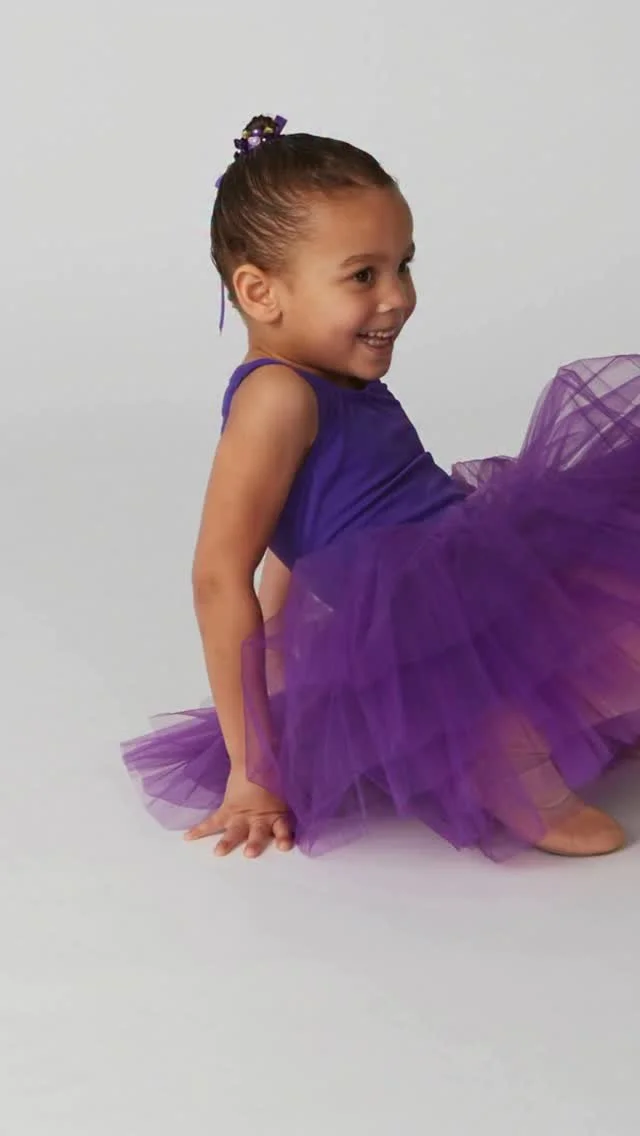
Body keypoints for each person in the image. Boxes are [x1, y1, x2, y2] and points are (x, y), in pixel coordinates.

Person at [121, 113, 640, 863]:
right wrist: (253, 770)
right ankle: (501, 754)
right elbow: (218, 574)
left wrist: (283, 662)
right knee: (527, 636)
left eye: (404, 266)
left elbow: (294, 534)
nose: (397, 297)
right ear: (260, 292)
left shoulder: (332, 376)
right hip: (418, 604)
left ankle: (553, 719)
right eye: (364, 275)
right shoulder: (276, 398)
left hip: (459, 551)